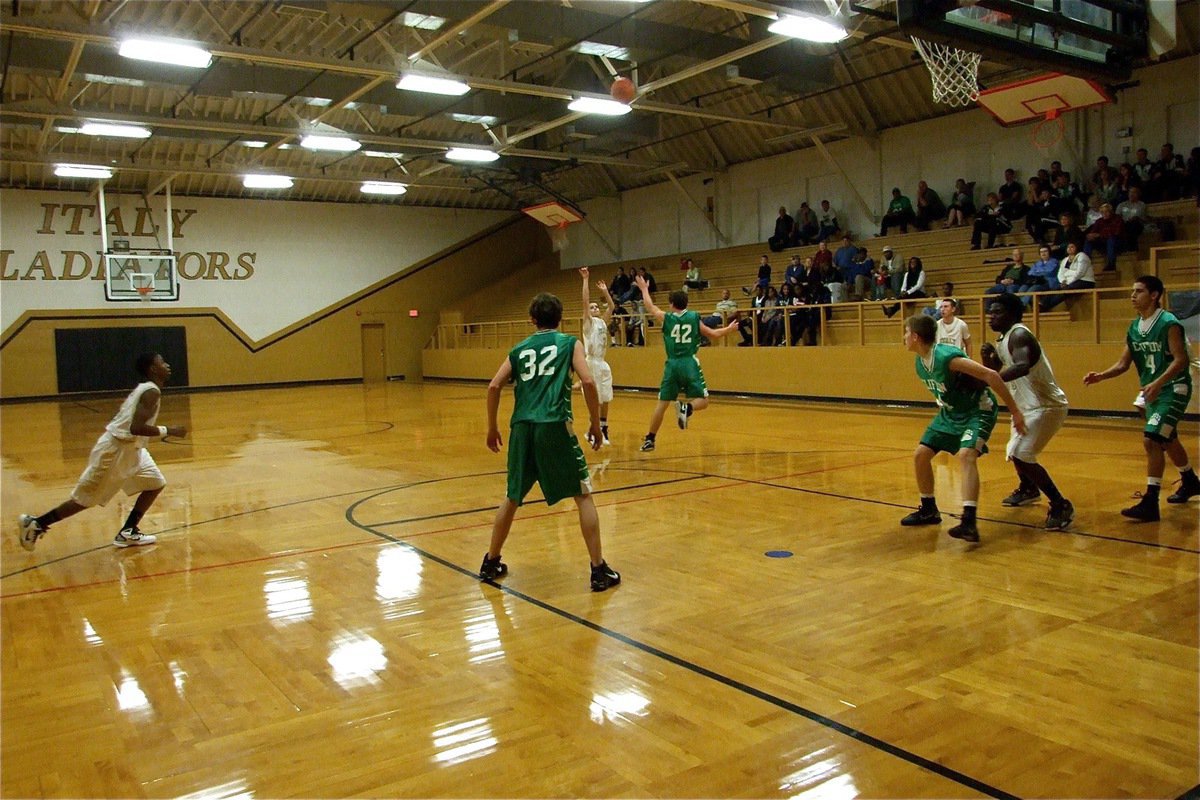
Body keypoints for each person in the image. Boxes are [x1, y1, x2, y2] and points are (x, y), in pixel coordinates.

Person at [480, 292, 620, 592]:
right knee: (582, 494)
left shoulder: (519, 349)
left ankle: (491, 562)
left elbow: (493, 386)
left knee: (512, 496)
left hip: (521, 428)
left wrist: (491, 428)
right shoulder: (570, 344)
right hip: (554, 425)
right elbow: (588, 382)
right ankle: (598, 570)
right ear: (560, 318)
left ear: (532, 320)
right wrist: (596, 425)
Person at [18, 353, 188, 550]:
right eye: (162, 363)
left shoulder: (148, 389)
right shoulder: (151, 392)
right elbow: (136, 428)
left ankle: (128, 531)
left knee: (155, 483)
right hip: (115, 451)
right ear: (152, 369)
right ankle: (36, 524)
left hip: (133, 449)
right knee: (86, 499)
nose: (167, 365)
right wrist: (170, 431)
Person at [900, 314, 1026, 543]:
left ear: (916, 336)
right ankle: (928, 509)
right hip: (950, 413)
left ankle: (969, 521)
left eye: (906, 333)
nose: (904, 337)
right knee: (920, 455)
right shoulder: (920, 362)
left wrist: (1015, 412)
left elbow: (991, 375)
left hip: (977, 411)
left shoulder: (946, 356)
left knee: (966, 455)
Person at [1083, 276, 1200, 520]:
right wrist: (1101, 376)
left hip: (1174, 388)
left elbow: (1181, 360)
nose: (1132, 296)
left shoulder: (1169, 322)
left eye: (1138, 291)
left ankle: (1150, 501)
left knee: (1152, 439)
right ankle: (1190, 480)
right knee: (1166, 438)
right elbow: (1123, 364)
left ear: (1155, 295)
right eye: (1132, 291)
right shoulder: (1134, 327)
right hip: (1152, 390)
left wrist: (1158, 383)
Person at [980, 292, 1074, 530]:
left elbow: (1021, 367)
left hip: (1047, 405)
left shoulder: (1020, 334)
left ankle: (1060, 504)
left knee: (1022, 453)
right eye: (990, 311)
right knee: (1015, 452)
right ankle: (1029, 487)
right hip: (1026, 406)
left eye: (997, 311)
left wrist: (990, 378)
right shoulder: (1004, 338)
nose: (991, 315)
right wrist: (988, 360)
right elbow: (1002, 369)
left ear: (1012, 314)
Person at [635, 275, 738, 451]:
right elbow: (713, 335)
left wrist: (644, 289)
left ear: (671, 304)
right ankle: (687, 408)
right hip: (689, 363)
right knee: (704, 401)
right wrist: (728, 329)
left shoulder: (666, 318)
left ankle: (650, 439)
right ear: (685, 303)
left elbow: (650, 307)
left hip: (672, 364)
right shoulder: (693, 317)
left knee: (662, 404)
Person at [580, 268, 614, 446]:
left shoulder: (602, 322)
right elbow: (585, 301)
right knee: (596, 399)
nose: (595, 308)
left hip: (602, 363)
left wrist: (605, 291)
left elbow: (612, 307)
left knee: (606, 397)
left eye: (596, 307)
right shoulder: (588, 323)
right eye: (592, 307)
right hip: (591, 362)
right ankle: (593, 429)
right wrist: (586, 279)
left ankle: (603, 427)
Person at [1039, 241, 1095, 312]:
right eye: (1068, 247)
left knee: (1066, 290)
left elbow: (1080, 273)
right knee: (1056, 287)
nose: (1069, 248)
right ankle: (1042, 304)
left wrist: (1067, 278)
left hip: (1085, 281)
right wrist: (1063, 281)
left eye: (1072, 247)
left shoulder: (1082, 256)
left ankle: (1047, 307)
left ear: (1077, 248)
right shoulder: (1065, 260)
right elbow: (1060, 273)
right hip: (1069, 281)